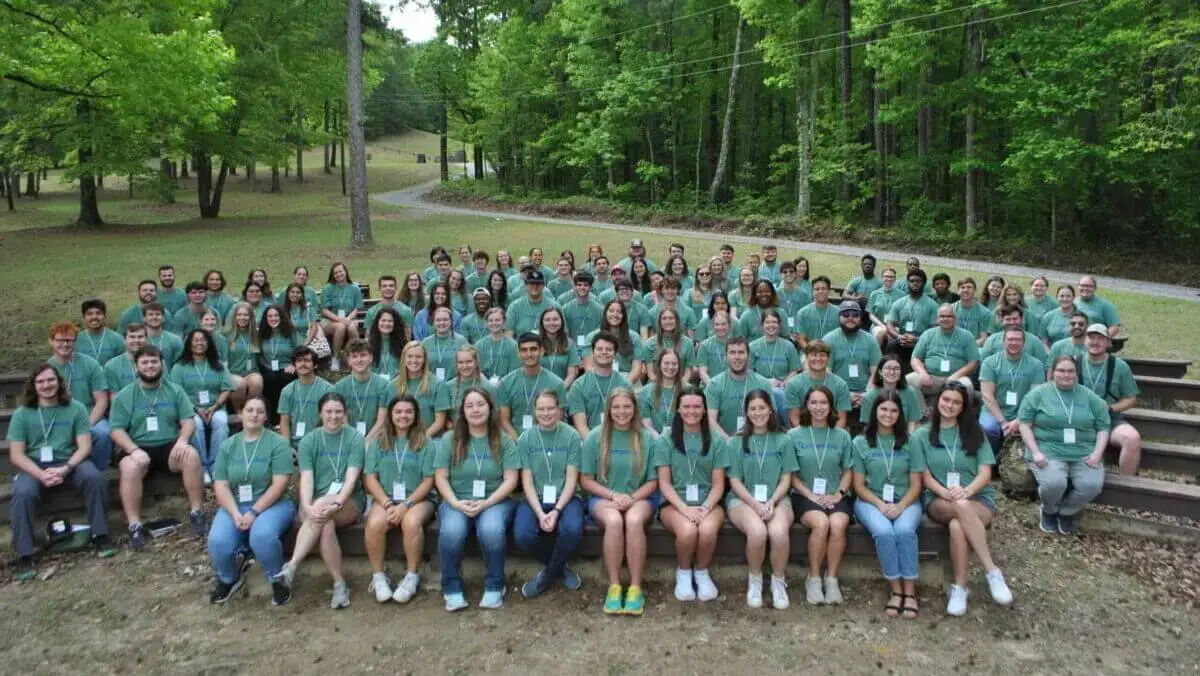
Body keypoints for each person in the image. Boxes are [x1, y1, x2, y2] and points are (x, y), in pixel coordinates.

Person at [7, 365, 116, 580]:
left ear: (59, 382)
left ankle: (100, 534)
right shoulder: (22, 414)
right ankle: (25, 553)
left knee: (94, 478)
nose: (46, 385)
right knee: (22, 494)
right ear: (33, 385)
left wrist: (65, 469)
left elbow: (85, 447)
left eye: (50, 380)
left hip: (70, 461)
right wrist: (41, 474)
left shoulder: (76, 408)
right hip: (34, 465)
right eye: (40, 382)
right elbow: (17, 455)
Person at [912, 382, 1012, 616]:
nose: (950, 405)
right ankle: (992, 571)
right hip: (938, 498)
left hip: (978, 499)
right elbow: (924, 476)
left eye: (956, 402)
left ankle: (960, 588)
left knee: (958, 525)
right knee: (959, 508)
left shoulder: (975, 432)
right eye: (946, 400)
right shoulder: (921, 435)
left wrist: (966, 492)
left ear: (963, 407)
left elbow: (985, 474)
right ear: (938, 401)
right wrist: (945, 492)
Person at [110, 346, 207, 550]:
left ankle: (197, 512)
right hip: (139, 446)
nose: (150, 366)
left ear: (162, 364)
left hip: (170, 445)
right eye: (144, 362)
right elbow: (116, 430)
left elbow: (188, 420)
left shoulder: (174, 390)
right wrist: (134, 450)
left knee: (191, 456)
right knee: (128, 467)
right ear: (136, 367)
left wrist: (182, 441)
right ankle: (135, 525)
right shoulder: (125, 395)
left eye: (154, 361)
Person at [434, 388, 521, 611]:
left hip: (496, 501)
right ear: (462, 411)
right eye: (470, 405)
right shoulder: (449, 439)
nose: (476, 409)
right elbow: (441, 477)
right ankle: (451, 586)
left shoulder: (504, 440)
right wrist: (455, 503)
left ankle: (495, 584)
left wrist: (486, 503)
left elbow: (511, 480)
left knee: (491, 530)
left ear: (490, 408)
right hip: (458, 500)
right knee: (452, 531)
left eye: (480, 404)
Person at [276, 392, 364, 609]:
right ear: (320, 413)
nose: (334, 416)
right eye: (329, 411)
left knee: (324, 511)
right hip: (315, 502)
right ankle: (339, 585)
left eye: (338, 412)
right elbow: (306, 477)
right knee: (325, 525)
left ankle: (292, 567)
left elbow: (351, 479)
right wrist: (306, 505)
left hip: (349, 501)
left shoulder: (354, 438)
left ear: (345, 413)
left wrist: (337, 502)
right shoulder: (309, 440)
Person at [205, 397, 295, 606]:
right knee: (218, 541)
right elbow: (221, 484)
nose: (254, 414)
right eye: (249, 410)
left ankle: (277, 579)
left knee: (262, 536)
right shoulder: (228, 445)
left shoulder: (278, 443)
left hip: (273, 504)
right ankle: (229, 578)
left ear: (266, 416)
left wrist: (254, 512)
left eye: (260, 411)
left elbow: (279, 483)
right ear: (241, 413)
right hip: (235, 505)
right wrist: (235, 513)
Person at [580, 388, 658, 616]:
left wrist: (631, 498)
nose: (621, 412)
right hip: (604, 497)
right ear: (608, 410)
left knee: (633, 520)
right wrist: (614, 496)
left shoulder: (646, 438)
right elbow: (586, 480)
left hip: (640, 497)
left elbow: (653, 482)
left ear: (635, 408)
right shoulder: (595, 437)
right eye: (616, 407)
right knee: (614, 521)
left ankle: (635, 587)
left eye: (627, 406)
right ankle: (614, 586)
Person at [1018, 356, 1111, 535]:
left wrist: (1098, 454)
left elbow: (1103, 427)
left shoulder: (1090, 397)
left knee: (1091, 485)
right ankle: (1049, 510)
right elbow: (1024, 424)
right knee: (1054, 482)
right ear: (1052, 372)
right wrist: (1036, 452)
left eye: (1070, 371)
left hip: (1083, 452)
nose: (1066, 375)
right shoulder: (1037, 395)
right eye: (1061, 370)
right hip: (1048, 450)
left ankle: (1067, 511)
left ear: (1077, 373)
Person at [852, 391, 924, 619]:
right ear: (874, 412)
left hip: (906, 500)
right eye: (883, 409)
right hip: (870, 501)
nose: (888, 414)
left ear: (900, 414)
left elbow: (916, 484)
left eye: (894, 410)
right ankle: (896, 589)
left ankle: (910, 593)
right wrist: (880, 504)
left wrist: (901, 506)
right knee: (884, 532)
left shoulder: (911, 442)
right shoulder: (860, 442)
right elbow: (859, 485)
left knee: (903, 531)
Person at [654, 387, 729, 603]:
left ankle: (702, 572)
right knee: (687, 531)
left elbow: (718, 485)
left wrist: (704, 508)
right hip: (674, 503)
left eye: (697, 406)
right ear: (678, 409)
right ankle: (684, 572)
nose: (692, 411)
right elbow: (665, 484)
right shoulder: (665, 440)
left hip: (709, 502)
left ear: (705, 409)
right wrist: (684, 508)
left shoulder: (715, 440)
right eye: (686, 406)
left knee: (706, 530)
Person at [725, 389, 797, 609]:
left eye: (762, 408)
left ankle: (778, 581)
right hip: (743, 499)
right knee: (757, 532)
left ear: (771, 410)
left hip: (778, 498)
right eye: (753, 408)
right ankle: (755, 579)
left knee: (777, 532)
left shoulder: (783, 440)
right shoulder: (735, 442)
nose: (758, 413)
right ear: (746, 413)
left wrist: (772, 502)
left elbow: (787, 479)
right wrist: (756, 504)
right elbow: (735, 480)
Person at [362, 395, 437, 603]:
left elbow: (428, 480)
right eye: (398, 412)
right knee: (375, 523)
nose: (403, 415)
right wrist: (387, 503)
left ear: (415, 415)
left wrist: (405, 505)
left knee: (411, 522)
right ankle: (378, 576)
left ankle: (412, 575)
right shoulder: (379, 442)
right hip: (385, 498)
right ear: (390, 415)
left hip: (419, 498)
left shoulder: (426, 443)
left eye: (408, 412)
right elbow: (370, 478)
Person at [514, 390, 586, 598]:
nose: (546, 413)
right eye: (541, 409)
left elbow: (572, 479)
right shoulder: (525, 438)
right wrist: (539, 512)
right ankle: (559, 569)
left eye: (551, 408)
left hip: (566, 496)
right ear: (535, 412)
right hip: (534, 497)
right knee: (522, 534)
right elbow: (526, 481)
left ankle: (545, 578)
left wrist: (556, 510)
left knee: (572, 530)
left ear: (559, 410)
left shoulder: (571, 435)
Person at [789, 386, 854, 605]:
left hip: (834, 494)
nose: (818, 408)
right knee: (821, 523)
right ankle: (814, 578)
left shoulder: (842, 435)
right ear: (806, 405)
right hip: (803, 494)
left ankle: (832, 578)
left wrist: (838, 495)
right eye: (814, 403)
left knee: (838, 523)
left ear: (831, 406)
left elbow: (848, 471)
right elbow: (791, 475)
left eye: (823, 403)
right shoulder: (794, 435)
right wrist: (811, 496)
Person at [46, 321, 112, 470]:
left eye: (69, 340)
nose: (65, 344)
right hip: (58, 417)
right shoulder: (47, 369)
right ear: (51, 341)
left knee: (104, 433)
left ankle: (99, 472)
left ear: (75, 341)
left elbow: (101, 401)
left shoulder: (90, 364)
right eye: (60, 340)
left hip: (90, 415)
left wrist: (87, 425)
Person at [168, 329, 233, 480]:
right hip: (189, 410)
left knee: (221, 422)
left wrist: (215, 406)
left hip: (215, 407)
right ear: (189, 344)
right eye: (195, 340)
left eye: (203, 340)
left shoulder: (218, 365)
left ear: (208, 343)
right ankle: (202, 467)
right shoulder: (180, 367)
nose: (199, 343)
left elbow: (226, 389)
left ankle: (216, 466)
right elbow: (177, 393)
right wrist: (195, 409)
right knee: (195, 424)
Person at [1077, 325, 1141, 475]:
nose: (1095, 342)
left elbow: (1131, 400)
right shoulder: (1074, 363)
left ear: (1108, 343)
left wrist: (1110, 408)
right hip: (1078, 419)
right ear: (1085, 340)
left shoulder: (1120, 366)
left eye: (1100, 338)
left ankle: (1126, 488)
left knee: (1132, 438)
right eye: (1091, 337)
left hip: (1110, 419)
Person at [979, 327, 1047, 456]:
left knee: (1037, 428)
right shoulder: (990, 362)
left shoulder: (1036, 365)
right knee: (988, 428)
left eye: (1018, 340)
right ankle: (992, 462)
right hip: (994, 411)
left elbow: (1034, 398)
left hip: (1024, 411)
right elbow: (987, 396)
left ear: (1024, 342)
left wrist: (1019, 420)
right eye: (1010, 339)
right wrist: (1003, 422)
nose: (1014, 343)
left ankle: (1022, 462)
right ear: (1003, 342)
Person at [906, 304, 979, 400]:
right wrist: (923, 373)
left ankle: (961, 414)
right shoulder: (927, 334)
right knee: (909, 380)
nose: (945, 319)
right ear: (937, 319)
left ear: (955, 319)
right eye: (942, 316)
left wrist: (956, 376)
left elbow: (973, 363)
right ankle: (921, 412)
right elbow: (915, 358)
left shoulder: (967, 336)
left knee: (967, 385)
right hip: (931, 377)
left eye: (949, 316)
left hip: (956, 377)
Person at [706, 337, 773, 438]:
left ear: (748, 355)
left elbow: (771, 418)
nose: (737, 357)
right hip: (725, 443)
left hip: (757, 443)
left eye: (741, 352)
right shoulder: (715, 384)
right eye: (732, 352)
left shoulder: (763, 384)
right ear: (726, 356)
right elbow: (710, 421)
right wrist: (730, 442)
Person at [568, 332, 633, 436]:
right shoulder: (578, 385)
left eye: (609, 349)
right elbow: (581, 426)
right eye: (599, 349)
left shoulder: (625, 384)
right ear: (592, 352)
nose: (604, 352)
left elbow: (630, 421)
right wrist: (595, 446)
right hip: (589, 440)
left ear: (615, 354)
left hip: (619, 438)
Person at [823, 300, 883, 408]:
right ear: (839, 317)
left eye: (855, 315)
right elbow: (826, 373)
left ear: (860, 318)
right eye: (846, 315)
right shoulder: (829, 339)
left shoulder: (870, 340)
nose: (850, 318)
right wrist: (846, 394)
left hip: (866, 390)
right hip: (837, 390)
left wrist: (867, 394)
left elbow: (876, 371)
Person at [785, 340, 852, 428]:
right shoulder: (793, 384)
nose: (818, 359)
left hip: (832, 432)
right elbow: (794, 418)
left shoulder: (840, 385)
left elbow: (841, 419)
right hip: (804, 432)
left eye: (822, 355)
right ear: (806, 357)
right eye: (813, 355)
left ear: (828, 358)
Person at [391, 342, 452, 439]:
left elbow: (440, 421)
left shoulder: (439, 385)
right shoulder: (392, 385)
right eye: (410, 356)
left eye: (418, 357)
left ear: (424, 359)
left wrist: (422, 438)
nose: (414, 360)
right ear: (403, 359)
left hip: (429, 440)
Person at [748, 309, 801, 419]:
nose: (771, 325)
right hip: (759, 386)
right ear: (762, 325)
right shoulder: (752, 346)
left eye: (774, 322)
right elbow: (749, 372)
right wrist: (767, 382)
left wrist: (785, 382)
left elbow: (794, 370)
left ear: (779, 325)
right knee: (776, 394)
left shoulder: (789, 346)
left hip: (783, 387)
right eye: (767, 322)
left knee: (782, 394)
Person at [333, 339, 390, 438]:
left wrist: (367, 441)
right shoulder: (339, 387)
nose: (359, 360)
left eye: (363, 355)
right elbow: (343, 419)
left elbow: (382, 420)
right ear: (349, 361)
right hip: (348, 438)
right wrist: (355, 441)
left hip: (376, 438)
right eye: (354, 356)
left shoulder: (383, 385)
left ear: (371, 357)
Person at [278, 346, 334, 447]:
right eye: (299, 361)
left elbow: (330, 421)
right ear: (294, 365)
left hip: (319, 444)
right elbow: (284, 422)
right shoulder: (287, 391)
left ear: (315, 365)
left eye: (307, 361)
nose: (303, 364)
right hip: (294, 445)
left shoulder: (327, 389)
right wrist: (287, 448)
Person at [884, 269, 939, 367]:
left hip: (922, 340)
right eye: (912, 281)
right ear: (908, 283)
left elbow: (934, 330)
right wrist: (899, 336)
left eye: (918, 281)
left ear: (923, 283)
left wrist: (917, 339)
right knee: (891, 346)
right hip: (902, 339)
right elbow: (889, 324)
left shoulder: (932, 305)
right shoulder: (899, 303)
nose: (915, 283)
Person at [256, 306, 302, 422]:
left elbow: (300, 350)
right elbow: (260, 355)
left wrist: (294, 364)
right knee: (270, 379)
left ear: (281, 317)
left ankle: (289, 416)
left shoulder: (291, 332)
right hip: (268, 367)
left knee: (286, 377)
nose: (273, 318)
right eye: (270, 316)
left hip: (287, 366)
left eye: (276, 315)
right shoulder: (262, 333)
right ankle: (273, 419)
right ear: (265, 318)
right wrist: (266, 367)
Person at [859, 354, 924, 432]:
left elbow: (912, 422)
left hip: (903, 437)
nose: (892, 372)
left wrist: (909, 440)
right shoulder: (870, 395)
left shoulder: (909, 392)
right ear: (880, 371)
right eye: (888, 368)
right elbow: (867, 425)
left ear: (901, 372)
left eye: (896, 369)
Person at [320, 262, 364, 369]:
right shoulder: (328, 288)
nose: (338, 274)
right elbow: (324, 310)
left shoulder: (354, 288)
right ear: (332, 275)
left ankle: (358, 356)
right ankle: (335, 358)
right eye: (335, 273)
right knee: (340, 326)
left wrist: (348, 319)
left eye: (340, 271)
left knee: (351, 327)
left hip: (350, 318)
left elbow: (356, 309)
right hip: (330, 320)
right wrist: (340, 320)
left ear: (345, 272)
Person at [980, 304, 1049, 367]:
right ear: (1002, 320)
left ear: (1022, 320)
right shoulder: (992, 340)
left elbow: (1042, 365)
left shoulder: (1034, 341)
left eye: (1015, 319)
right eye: (1008, 319)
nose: (1012, 322)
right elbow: (984, 364)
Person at [222, 303, 262, 410]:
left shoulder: (256, 334)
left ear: (251, 317)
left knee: (257, 382)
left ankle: (249, 410)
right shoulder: (227, 334)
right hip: (233, 372)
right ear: (234, 317)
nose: (242, 318)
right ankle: (238, 412)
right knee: (239, 384)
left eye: (246, 315)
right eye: (239, 315)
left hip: (251, 372)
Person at [644, 307, 695, 382]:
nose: (668, 321)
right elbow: (651, 374)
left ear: (677, 321)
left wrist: (679, 386)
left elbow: (688, 373)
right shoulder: (649, 343)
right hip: (656, 383)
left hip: (680, 384)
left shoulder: (688, 343)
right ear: (659, 322)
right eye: (664, 318)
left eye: (671, 318)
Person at [638, 350, 683, 434]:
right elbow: (647, 425)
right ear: (659, 365)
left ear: (679, 366)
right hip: (655, 440)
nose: (670, 367)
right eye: (666, 363)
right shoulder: (646, 391)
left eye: (674, 364)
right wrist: (660, 441)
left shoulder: (688, 389)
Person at [446, 346, 498, 417]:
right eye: (460, 362)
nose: (464, 366)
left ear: (476, 362)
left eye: (469, 362)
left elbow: (494, 415)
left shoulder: (487, 387)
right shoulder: (448, 386)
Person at [421, 307, 469, 381]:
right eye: (438, 320)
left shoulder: (461, 341)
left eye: (445, 320)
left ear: (451, 322)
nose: (442, 323)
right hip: (431, 385)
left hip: (455, 385)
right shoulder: (425, 343)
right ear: (433, 322)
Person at [506, 270, 558, 336]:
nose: (535, 286)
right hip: (521, 345)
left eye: (538, 283)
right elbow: (509, 333)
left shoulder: (554, 306)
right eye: (531, 283)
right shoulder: (514, 306)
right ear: (525, 285)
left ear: (543, 285)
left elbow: (562, 333)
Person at [538, 307, 581, 387]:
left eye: (555, 319)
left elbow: (572, 374)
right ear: (542, 323)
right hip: (538, 391)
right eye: (547, 320)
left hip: (563, 390)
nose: (552, 323)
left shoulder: (570, 344)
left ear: (562, 321)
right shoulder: (536, 343)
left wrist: (560, 390)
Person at [364, 275, 416, 341]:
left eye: (391, 286)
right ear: (380, 289)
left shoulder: (406, 311)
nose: (388, 288)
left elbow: (408, 336)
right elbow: (368, 336)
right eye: (384, 286)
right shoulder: (371, 311)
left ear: (396, 288)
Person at [794, 276, 840, 349]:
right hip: (809, 354)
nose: (820, 291)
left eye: (824, 288)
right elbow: (801, 340)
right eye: (817, 289)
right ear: (813, 292)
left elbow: (839, 338)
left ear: (829, 291)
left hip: (831, 354)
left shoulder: (838, 312)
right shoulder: (803, 312)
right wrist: (812, 353)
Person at [476, 308, 520, 381]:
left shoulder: (513, 345)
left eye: (497, 320)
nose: (494, 323)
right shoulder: (479, 345)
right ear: (486, 323)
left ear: (504, 322)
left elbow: (514, 372)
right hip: (484, 386)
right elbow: (477, 371)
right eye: (490, 320)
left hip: (506, 386)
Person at [78, 299, 125, 365]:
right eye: (89, 314)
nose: (94, 317)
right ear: (83, 317)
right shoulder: (76, 340)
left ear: (105, 316)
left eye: (98, 313)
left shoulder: (117, 339)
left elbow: (124, 365)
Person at [105, 323, 147, 395]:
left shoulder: (156, 362)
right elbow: (114, 398)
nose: (136, 340)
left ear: (146, 339)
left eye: (140, 337)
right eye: (132, 337)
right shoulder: (112, 365)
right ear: (124, 340)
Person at [866, 268, 905, 346]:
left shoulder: (902, 295)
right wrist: (883, 326)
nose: (889, 279)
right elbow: (871, 315)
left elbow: (903, 314)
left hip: (895, 326)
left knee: (892, 334)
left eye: (891, 277)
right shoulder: (874, 294)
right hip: (878, 325)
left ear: (895, 279)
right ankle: (876, 356)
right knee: (880, 332)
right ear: (882, 278)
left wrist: (892, 326)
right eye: (886, 276)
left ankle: (890, 357)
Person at [141, 303, 184, 371]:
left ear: (163, 318)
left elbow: (180, 366)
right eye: (150, 314)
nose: (154, 317)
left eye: (158, 314)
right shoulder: (139, 340)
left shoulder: (175, 340)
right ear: (144, 319)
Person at [367, 307, 407, 377]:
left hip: (396, 383)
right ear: (377, 322)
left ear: (395, 324)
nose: (386, 323)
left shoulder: (403, 344)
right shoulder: (367, 344)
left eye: (390, 321)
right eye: (383, 320)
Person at [952, 278, 992, 346]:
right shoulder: (951, 309)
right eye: (962, 287)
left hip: (975, 347)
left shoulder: (984, 312)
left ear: (975, 290)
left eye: (969, 287)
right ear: (958, 290)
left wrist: (969, 346)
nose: (965, 290)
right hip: (953, 346)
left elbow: (984, 339)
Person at [696, 310, 732, 385]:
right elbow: (702, 373)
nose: (720, 327)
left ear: (729, 325)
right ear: (713, 326)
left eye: (723, 324)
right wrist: (713, 387)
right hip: (709, 386)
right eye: (717, 324)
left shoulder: (735, 345)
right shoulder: (704, 345)